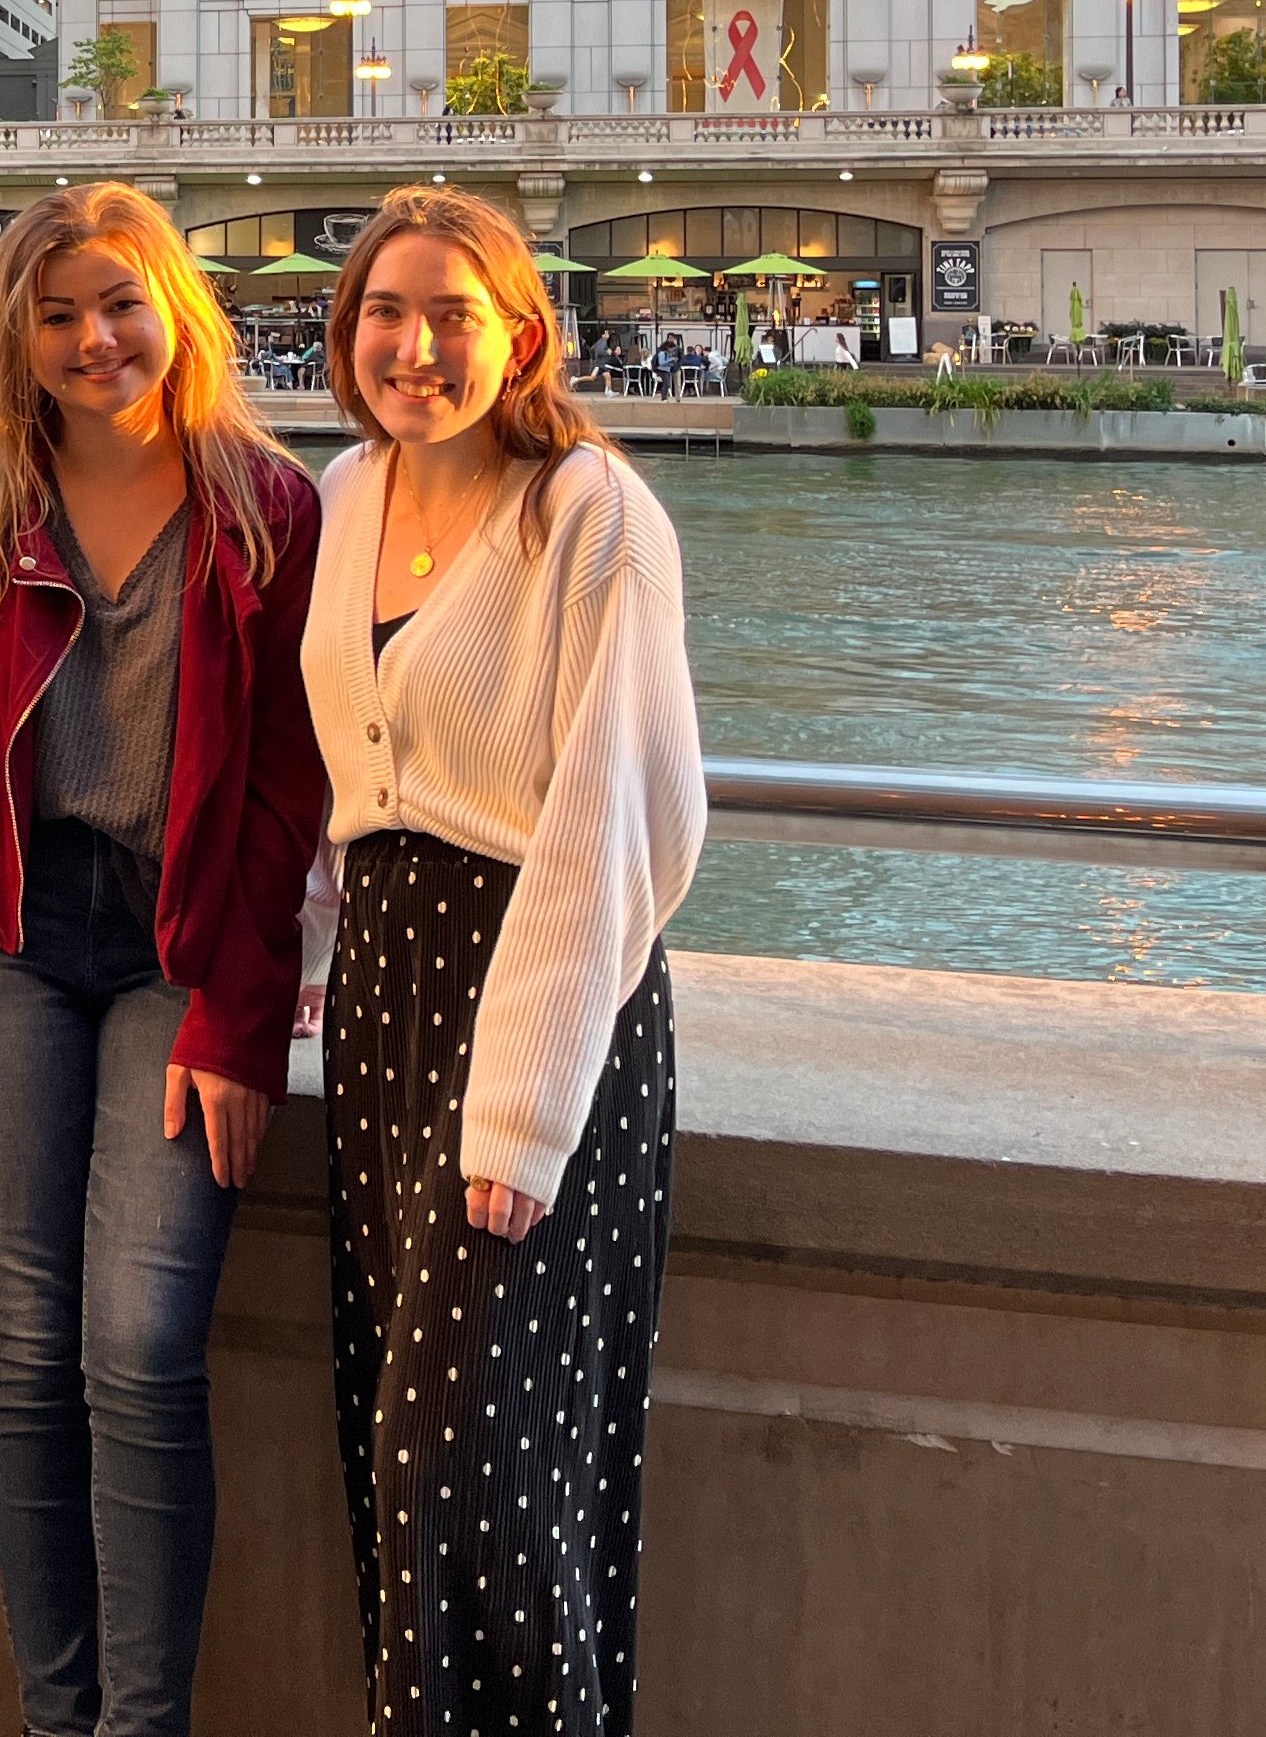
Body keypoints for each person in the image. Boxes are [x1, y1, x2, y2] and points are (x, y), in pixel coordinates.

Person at [0, 186, 323, 1737]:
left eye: (121, 304)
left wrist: (238, 1010)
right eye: (60, 311)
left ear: (176, 312)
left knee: (139, 1346)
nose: (95, 340)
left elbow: (289, 786)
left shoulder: (266, 507)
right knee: (25, 1348)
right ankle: (53, 1714)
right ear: (18, 329)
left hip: (178, 941)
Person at [304, 188, 706, 1735]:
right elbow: (345, 762)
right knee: (400, 1468)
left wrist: (527, 1109)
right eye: (385, 314)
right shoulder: (343, 496)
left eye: (451, 316)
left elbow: (614, 814)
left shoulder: (589, 509)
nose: (414, 347)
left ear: (521, 333)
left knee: (468, 1460)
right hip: (389, 1000)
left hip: (538, 1001)